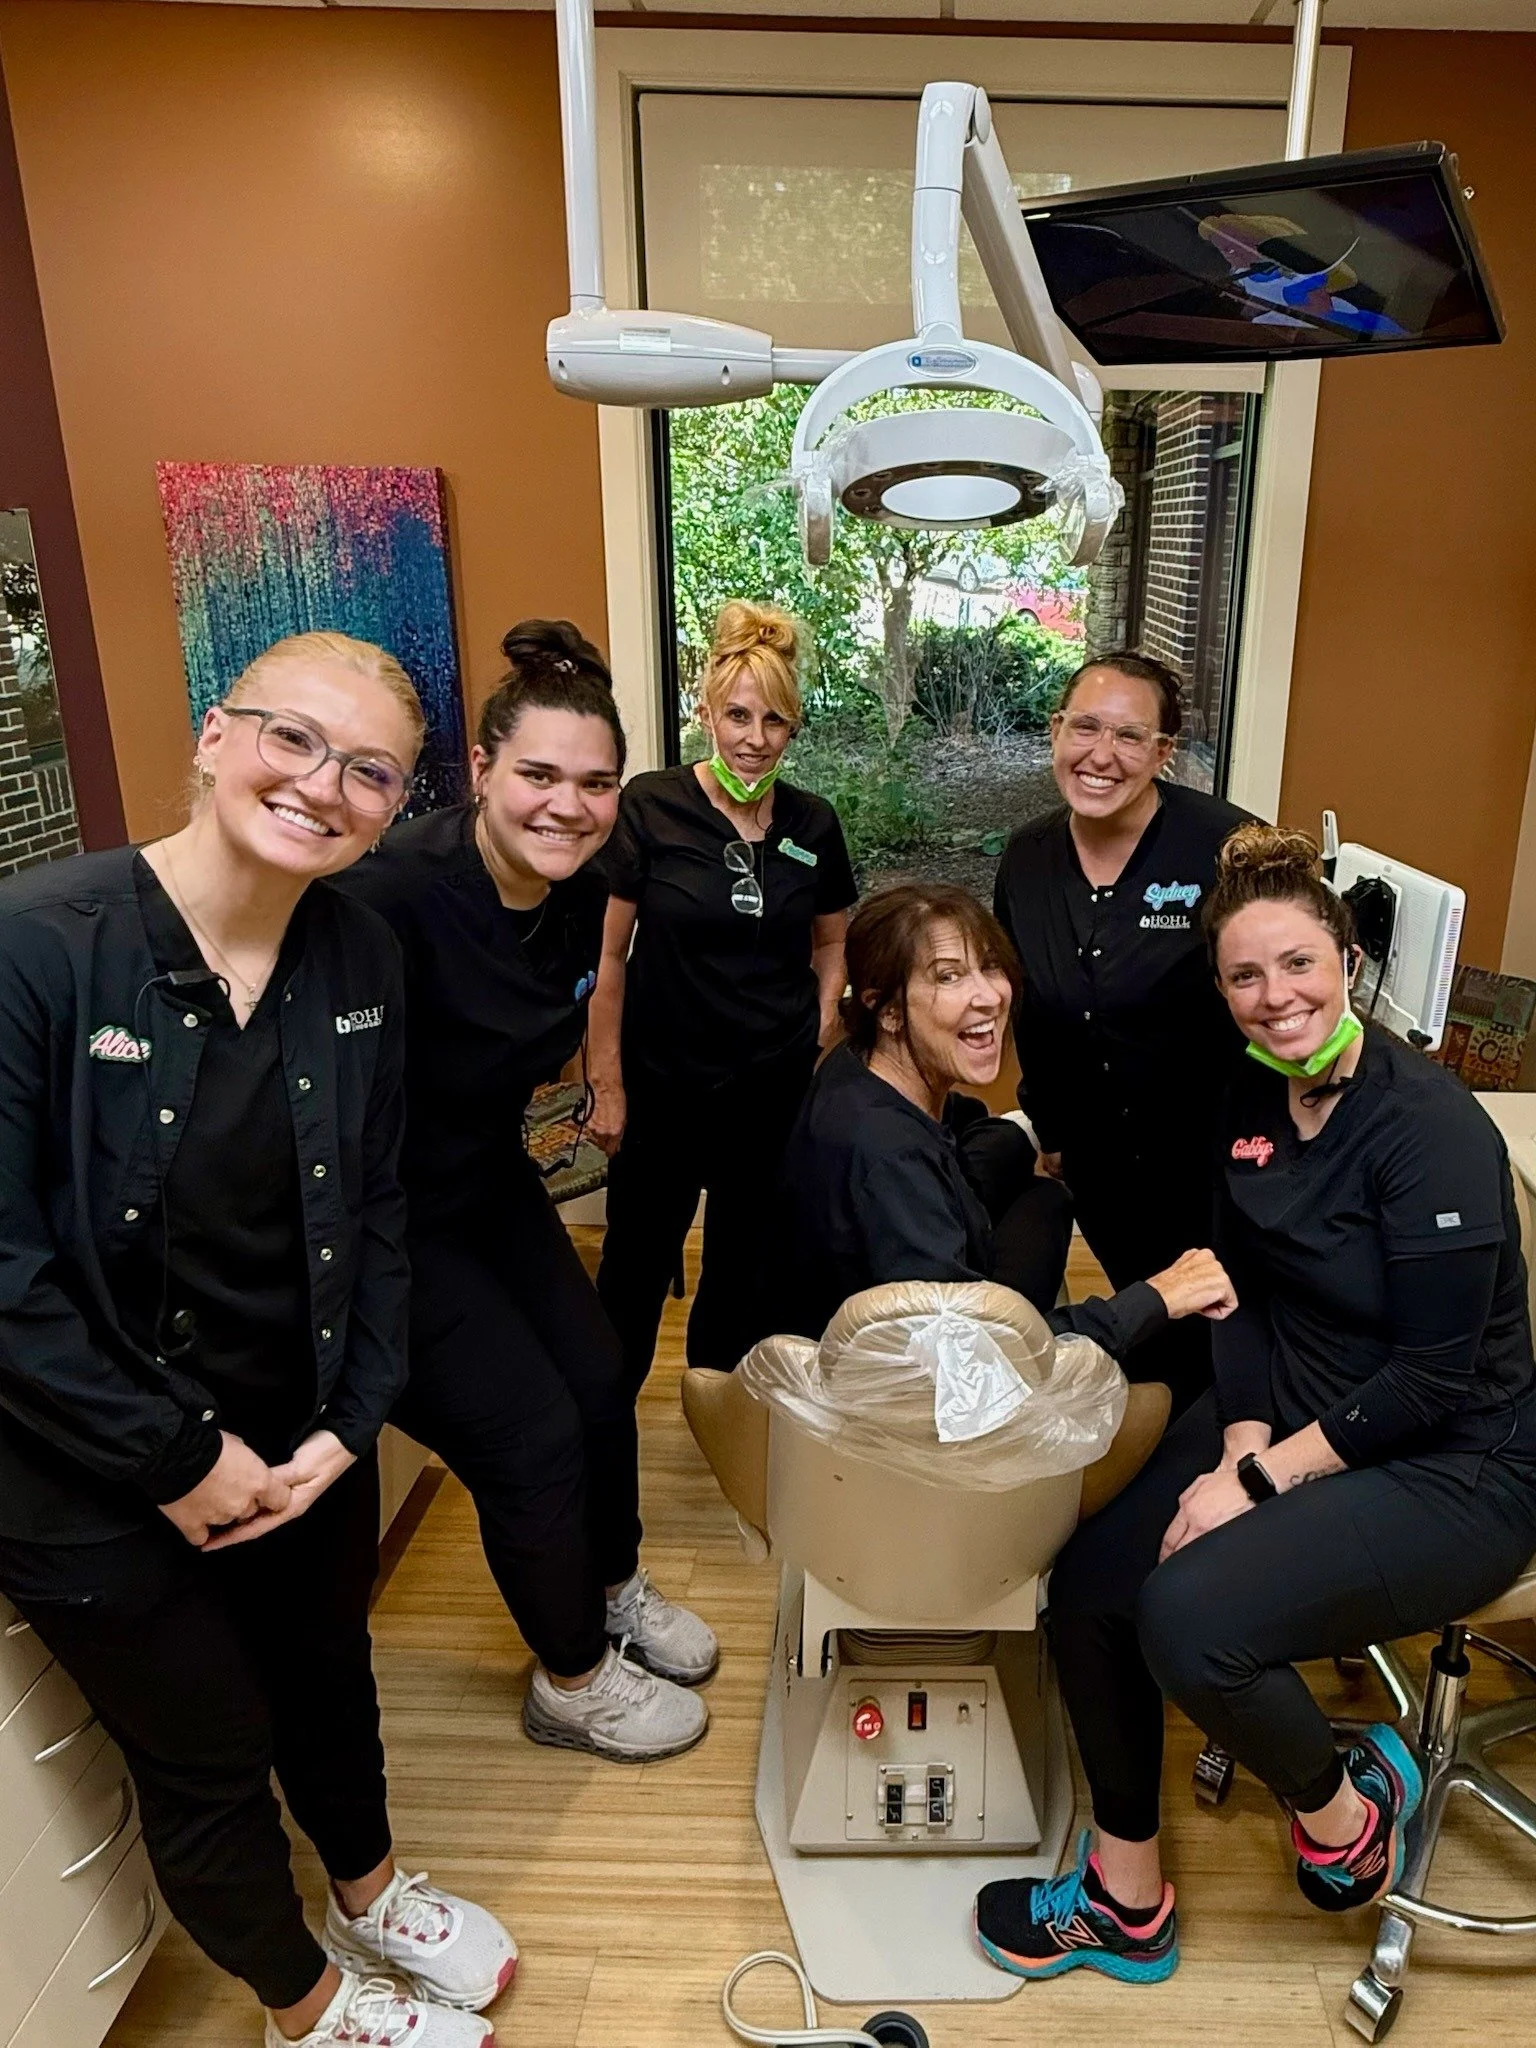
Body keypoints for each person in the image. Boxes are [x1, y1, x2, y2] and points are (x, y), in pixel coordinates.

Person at [0, 633, 516, 2048]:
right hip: (84, 1464)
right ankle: (310, 2006)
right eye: (294, 740)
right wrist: (170, 1456)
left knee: (327, 1677)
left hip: (298, 1433)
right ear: (214, 738)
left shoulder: (359, 952)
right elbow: (4, 1271)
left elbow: (381, 1195)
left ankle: (367, 1889)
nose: (322, 786)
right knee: (212, 1751)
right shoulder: (38, 946)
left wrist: (353, 1422)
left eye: (369, 772)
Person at [973, 825, 1536, 1987]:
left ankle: (1343, 1815)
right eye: (1244, 974)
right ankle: (1124, 1898)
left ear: (1347, 961)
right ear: (1221, 987)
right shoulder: (1254, 1093)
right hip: (1295, 1408)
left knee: (1187, 1619)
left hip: (1457, 1459)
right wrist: (1235, 1433)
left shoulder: (1429, 1132)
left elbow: (1433, 1377)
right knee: (1087, 1584)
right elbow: (1242, 1278)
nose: (1275, 996)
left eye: (1299, 965)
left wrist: (1262, 1477)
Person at [335, 620, 716, 1765]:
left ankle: (611, 1584)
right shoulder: (387, 899)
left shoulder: (587, 881)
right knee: (530, 1432)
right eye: (539, 775)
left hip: (480, 1177)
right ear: (484, 771)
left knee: (601, 1375)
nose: (569, 803)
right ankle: (573, 1679)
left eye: (595, 781)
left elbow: (581, 1005)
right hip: (373, 1222)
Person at [778, 881, 1236, 1355]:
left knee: (1043, 1197)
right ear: (888, 1010)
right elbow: (968, 1358)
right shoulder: (890, 1158)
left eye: (989, 966)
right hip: (902, 1390)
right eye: (948, 977)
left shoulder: (856, 1063)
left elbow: (960, 1124)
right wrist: (1156, 1297)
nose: (989, 996)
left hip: (916, 1283)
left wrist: (1025, 1134)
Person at [590, 601, 857, 1387]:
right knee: (633, 1268)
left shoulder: (814, 822)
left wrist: (816, 1027)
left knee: (743, 1269)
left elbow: (834, 938)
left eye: (775, 720)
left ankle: (717, 1410)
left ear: (793, 728)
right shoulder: (650, 806)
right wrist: (606, 1083)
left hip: (769, 1093)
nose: (754, 737)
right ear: (705, 711)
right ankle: (604, 1424)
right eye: (738, 715)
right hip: (664, 1087)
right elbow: (606, 954)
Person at [993, 651, 1254, 1414]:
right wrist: (1046, 1121)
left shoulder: (1223, 847)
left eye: (1130, 737)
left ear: (1164, 752)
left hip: (1218, 1159)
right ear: (1055, 731)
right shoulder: (1028, 858)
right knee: (1158, 1322)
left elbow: (1282, 989)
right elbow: (1029, 1005)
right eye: (1085, 728)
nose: (1101, 756)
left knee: (1232, 1332)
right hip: (1100, 1164)